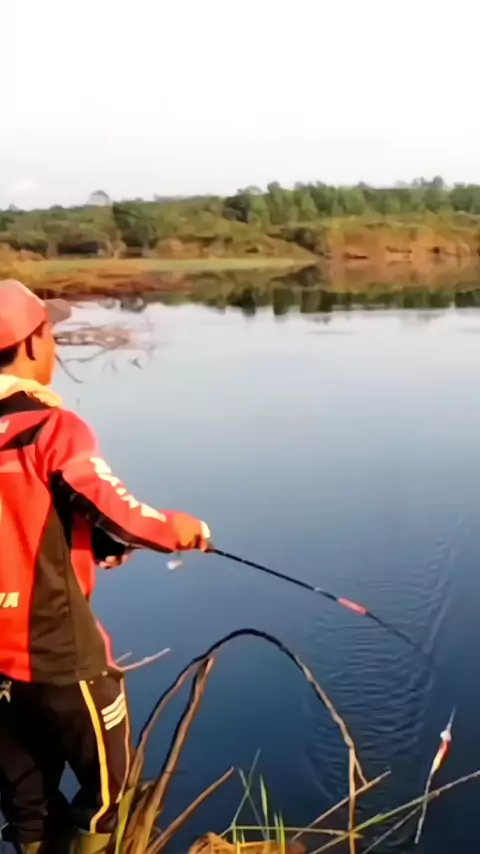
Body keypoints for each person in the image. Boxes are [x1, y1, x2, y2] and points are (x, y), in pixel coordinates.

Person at [0, 279, 212, 854]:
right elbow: (117, 511)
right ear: (32, 343)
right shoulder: (51, 429)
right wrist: (177, 529)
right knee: (107, 797)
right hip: (60, 654)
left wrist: (92, 546)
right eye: (51, 333)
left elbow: (23, 520)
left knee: (26, 805)